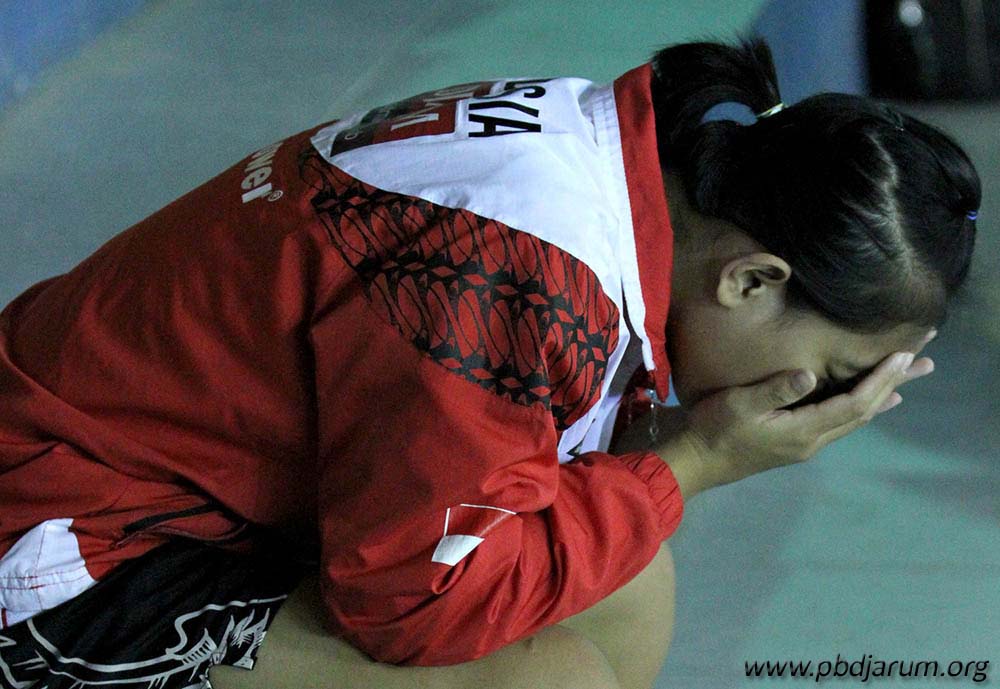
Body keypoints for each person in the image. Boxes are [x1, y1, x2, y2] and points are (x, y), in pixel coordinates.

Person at [0, 34, 978, 689]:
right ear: (752, 279)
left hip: (171, 481)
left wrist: (663, 458)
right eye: (830, 371)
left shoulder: (610, 161)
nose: (812, 399)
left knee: (628, 582)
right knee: (550, 678)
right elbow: (409, 607)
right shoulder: (522, 274)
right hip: (57, 550)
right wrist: (691, 459)